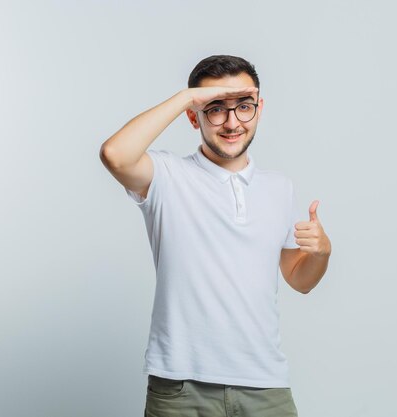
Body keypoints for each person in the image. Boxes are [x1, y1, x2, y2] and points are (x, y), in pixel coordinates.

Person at [99, 55, 332, 417]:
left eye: (243, 106)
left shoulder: (279, 188)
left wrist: (321, 254)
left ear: (259, 109)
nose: (232, 121)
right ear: (193, 116)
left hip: (264, 382)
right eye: (215, 109)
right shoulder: (166, 176)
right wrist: (186, 97)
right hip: (180, 386)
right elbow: (114, 154)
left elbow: (299, 280)